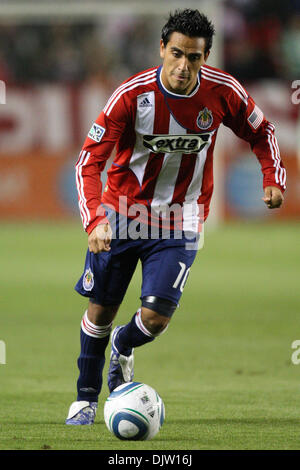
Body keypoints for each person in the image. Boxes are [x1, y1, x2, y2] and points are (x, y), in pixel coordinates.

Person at [66, 9, 286, 425]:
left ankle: (123, 346)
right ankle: (85, 399)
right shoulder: (130, 96)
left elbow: (262, 131)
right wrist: (95, 218)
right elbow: (87, 163)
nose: (184, 66)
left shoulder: (224, 91)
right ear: (162, 49)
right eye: (178, 54)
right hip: (123, 213)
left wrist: (272, 177)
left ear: (206, 58)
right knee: (101, 309)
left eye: (195, 57)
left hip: (181, 219)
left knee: (155, 318)